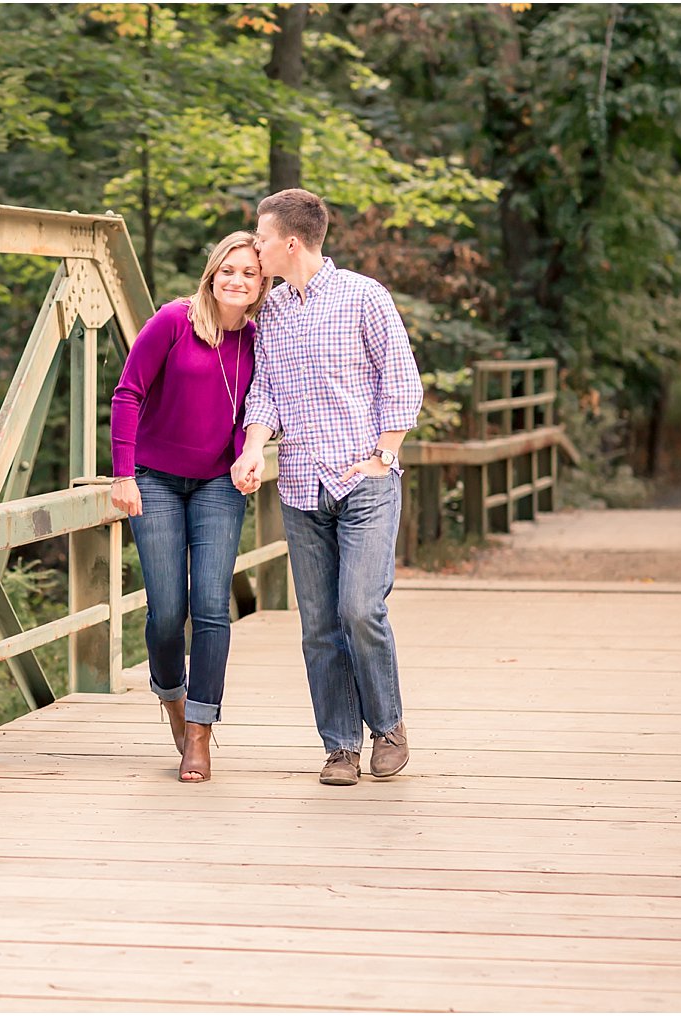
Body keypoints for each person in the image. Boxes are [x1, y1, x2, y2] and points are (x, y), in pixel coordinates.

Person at [231, 189, 423, 787]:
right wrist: (253, 446)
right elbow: (264, 393)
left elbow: (402, 381)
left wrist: (383, 455)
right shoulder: (275, 313)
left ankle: (388, 729)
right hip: (300, 489)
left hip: (363, 482)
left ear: (289, 242)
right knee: (318, 625)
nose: (255, 249)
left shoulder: (365, 296)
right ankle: (340, 745)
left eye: (260, 239)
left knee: (359, 608)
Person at [111, 231, 267, 783]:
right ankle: (172, 699)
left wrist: (252, 453)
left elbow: (266, 404)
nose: (237, 281)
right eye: (229, 270)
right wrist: (123, 473)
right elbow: (128, 392)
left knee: (210, 608)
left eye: (249, 273)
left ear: (261, 282)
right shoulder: (174, 321)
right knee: (166, 612)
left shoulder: (260, 338)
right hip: (154, 480)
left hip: (219, 485)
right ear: (212, 272)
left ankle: (199, 732)